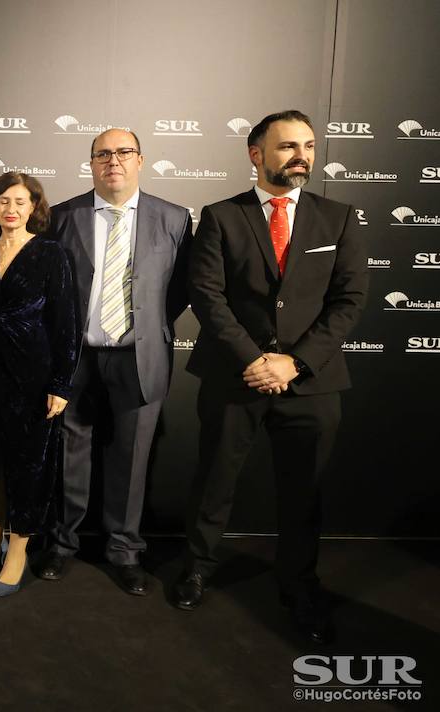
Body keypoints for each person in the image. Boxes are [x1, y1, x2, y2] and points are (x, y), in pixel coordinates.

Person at [174, 110, 367, 644]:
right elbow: (207, 296)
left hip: (313, 381)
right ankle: (198, 567)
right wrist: (254, 360)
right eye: (286, 146)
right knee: (215, 479)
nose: (300, 155)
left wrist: (295, 361)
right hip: (235, 375)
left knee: (304, 492)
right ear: (256, 154)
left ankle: (299, 585)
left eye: (307, 144)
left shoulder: (340, 218)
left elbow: (349, 301)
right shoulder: (219, 216)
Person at [36, 129, 192, 596]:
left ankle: (124, 551)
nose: (113, 161)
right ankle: (62, 544)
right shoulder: (64, 216)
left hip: (138, 356)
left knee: (132, 456)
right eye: (103, 154)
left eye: (124, 152)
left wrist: (145, 328)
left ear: (141, 160)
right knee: (70, 451)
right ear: (91, 163)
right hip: (76, 357)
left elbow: (181, 289)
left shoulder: (174, 218)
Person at [0, 171, 78, 597]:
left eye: (20, 202)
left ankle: (19, 551)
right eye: (3, 201)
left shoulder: (50, 255)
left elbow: (66, 325)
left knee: (28, 470)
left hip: (33, 381)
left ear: (34, 208)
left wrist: (60, 384)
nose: (11, 209)